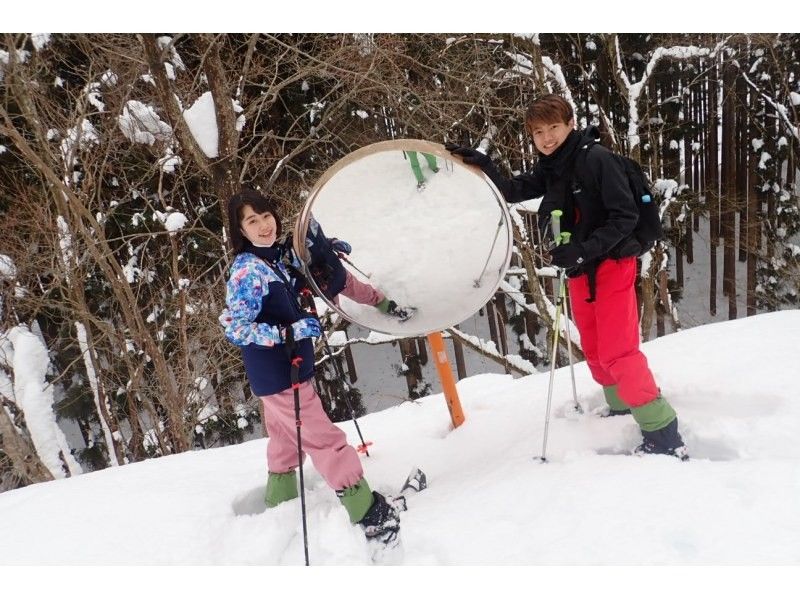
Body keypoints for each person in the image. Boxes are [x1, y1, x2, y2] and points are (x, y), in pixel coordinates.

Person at [447, 94, 688, 460]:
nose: (547, 138)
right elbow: (513, 191)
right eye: (539, 132)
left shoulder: (596, 160)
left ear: (571, 124)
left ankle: (662, 431)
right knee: (593, 348)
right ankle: (620, 406)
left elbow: (623, 218)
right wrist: (484, 166)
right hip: (580, 269)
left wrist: (583, 249)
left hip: (610, 265)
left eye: (554, 128)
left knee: (618, 352)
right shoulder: (553, 166)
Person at [219, 189, 402, 544]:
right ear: (240, 230)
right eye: (251, 221)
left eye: (266, 215)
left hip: (278, 373)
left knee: (287, 439)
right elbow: (236, 327)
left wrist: (324, 250)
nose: (263, 226)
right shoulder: (248, 271)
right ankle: (366, 511)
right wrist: (290, 331)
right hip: (281, 374)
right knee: (325, 440)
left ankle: (280, 500)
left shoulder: (275, 257)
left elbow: (312, 270)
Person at [303, 215, 414, 321]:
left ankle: (389, 308)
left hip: (337, 272)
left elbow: (319, 240)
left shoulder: (307, 219)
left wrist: (333, 242)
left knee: (364, 293)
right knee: (337, 308)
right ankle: (344, 323)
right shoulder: (291, 236)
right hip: (322, 283)